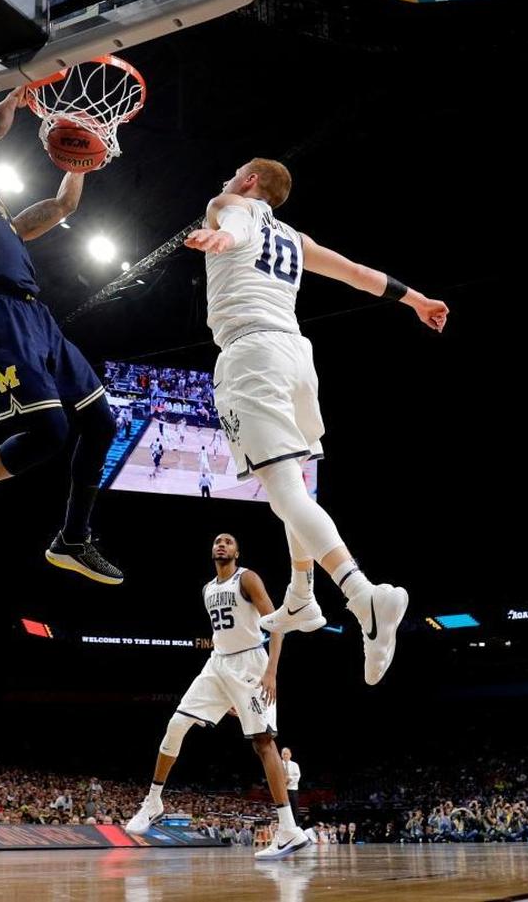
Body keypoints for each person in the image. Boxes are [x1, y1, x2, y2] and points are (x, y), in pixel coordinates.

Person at [184, 158, 449, 684]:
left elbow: (233, 226)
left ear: (251, 181)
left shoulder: (226, 207)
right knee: (297, 487)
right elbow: (356, 273)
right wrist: (415, 299)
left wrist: (224, 241)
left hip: (251, 353)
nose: (225, 179)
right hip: (296, 357)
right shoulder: (294, 238)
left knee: (283, 492)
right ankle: (302, 595)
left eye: (234, 173)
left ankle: (361, 595)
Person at [0, 87, 121, 585]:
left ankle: (74, 537)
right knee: (50, 432)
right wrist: (23, 88)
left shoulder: (9, 223)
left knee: (101, 423)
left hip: (39, 319)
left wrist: (84, 149)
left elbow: (63, 205)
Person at [125, 533, 308, 859]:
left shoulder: (247, 578)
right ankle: (153, 801)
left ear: (237, 551)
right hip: (217, 666)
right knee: (175, 725)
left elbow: (277, 623)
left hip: (251, 664)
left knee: (263, 743)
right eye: (216, 541)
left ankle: (289, 829)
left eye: (228, 541)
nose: (221, 544)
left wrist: (271, 672)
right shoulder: (208, 590)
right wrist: (227, 699)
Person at [281, 747, 301, 817]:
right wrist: (283, 782)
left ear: (290, 755)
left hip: (293, 789)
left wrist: (288, 780)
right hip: (282, 790)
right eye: (284, 754)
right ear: (281, 755)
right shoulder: (278, 764)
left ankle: (295, 825)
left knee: (294, 808)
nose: (285, 755)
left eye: (287, 754)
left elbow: (297, 777)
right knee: (283, 808)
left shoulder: (294, 765)